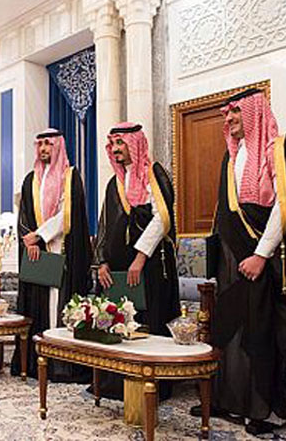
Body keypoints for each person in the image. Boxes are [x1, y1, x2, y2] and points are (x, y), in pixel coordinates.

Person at [199, 89, 286, 436]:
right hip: (233, 259)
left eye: (235, 112)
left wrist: (261, 254)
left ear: (254, 112)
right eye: (226, 114)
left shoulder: (280, 147)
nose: (228, 119)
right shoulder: (231, 157)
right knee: (234, 332)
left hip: (269, 260)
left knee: (265, 334)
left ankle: (266, 410)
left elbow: (285, 206)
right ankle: (232, 402)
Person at [94, 122, 180, 400]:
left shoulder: (153, 174)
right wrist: (102, 261)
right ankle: (117, 382)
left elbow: (162, 218)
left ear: (135, 143)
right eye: (113, 144)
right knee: (121, 322)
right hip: (119, 271)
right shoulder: (114, 183)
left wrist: (141, 257)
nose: (116, 149)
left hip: (151, 268)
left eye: (121, 143)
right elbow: (105, 224)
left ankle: (153, 383)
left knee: (148, 324)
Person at [10, 128, 92, 382]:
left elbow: (67, 213)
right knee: (38, 305)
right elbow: (22, 215)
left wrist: (40, 235)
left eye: (49, 144)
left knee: (59, 305)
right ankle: (36, 362)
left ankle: (62, 364)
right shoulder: (29, 180)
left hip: (62, 249)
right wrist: (30, 241)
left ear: (58, 146)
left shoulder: (71, 176)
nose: (44, 148)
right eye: (40, 144)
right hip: (37, 252)